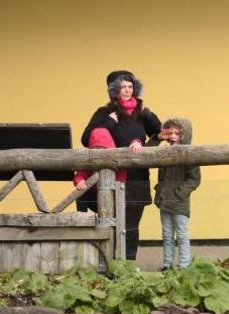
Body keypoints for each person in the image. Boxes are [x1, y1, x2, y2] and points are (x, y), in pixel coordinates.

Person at [81, 70, 162, 260]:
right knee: (112, 222)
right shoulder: (104, 113)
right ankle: (111, 262)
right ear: (114, 90)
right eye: (122, 87)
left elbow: (159, 132)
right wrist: (109, 122)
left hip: (137, 179)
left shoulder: (141, 113)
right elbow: (87, 138)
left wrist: (149, 117)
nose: (127, 90)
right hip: (111, 179)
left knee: (132, 225)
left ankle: (130, 264)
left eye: (130, 86)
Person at [153, 118, 200, 270]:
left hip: (179, 202)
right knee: (167, 235)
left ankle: (184, 265)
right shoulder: (164, 152)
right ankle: (167, 264)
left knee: (182, 235)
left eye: (177, 133)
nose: (173, 136)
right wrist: (159, 191)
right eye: (170, 132)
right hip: (164, 201)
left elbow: (194, 179)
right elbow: (148, 155)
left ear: (184, 135)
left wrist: (180, 193)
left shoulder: (190, 154)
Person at [73, 127, 126, 212]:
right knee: (80, 194)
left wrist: (135, 142)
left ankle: (114, 224)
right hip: (94, 197)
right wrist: (80, 180)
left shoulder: (117, 160)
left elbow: (128, 158)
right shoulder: (88, 162)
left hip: (114, 199)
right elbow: (80, 173)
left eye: (102, 150)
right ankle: (83, 219)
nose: (99, 156)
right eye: (96, 151)